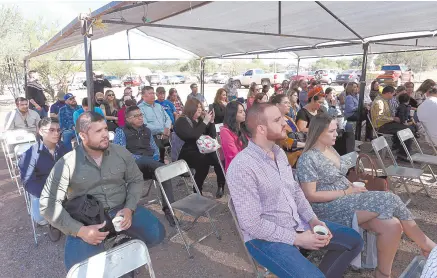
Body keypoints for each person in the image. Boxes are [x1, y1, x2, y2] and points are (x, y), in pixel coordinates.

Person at [226, 103, 363, 278]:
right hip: (264, 238)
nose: (285, 122)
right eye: (277, 120)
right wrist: (297, 239)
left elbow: (296, 192)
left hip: (297, 223)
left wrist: (313, 220)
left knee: (353, 240)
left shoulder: (279, 153)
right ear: (261, 129)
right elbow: (252, 224)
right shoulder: (243, 166)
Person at [296, 113, 436, 278]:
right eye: (332, 131)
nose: (336, 134)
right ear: (319, 132)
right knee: (390, 199)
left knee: (393, 225)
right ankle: (428, 246)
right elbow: (310, 195)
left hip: (346, 200)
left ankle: (383, 273)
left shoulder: (330, 149)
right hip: (327, 209)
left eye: (336, 130)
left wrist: (350, 186)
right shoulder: (308, 159)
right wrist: (346, 191)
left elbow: (337, 177)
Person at [40, 111, 165, 271]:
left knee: (157, 234)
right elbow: (48, 204)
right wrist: (80, 231)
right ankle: (113, 247)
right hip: (88, 220)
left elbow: (135, 179)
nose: (105, 134)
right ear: (83, 135)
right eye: (98, 131)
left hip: (121, 210)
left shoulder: (120, 153)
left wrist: (129, 208)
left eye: (106, 129)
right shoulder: (67, 163)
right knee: (78, 268)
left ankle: (121, 244)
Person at [113, 105, 176, 226]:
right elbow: (121, 153)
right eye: (136, 116)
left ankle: (169, 210)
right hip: (133, 167)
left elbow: (155, 149)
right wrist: (143, 159)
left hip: (149, 165)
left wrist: (155, 159)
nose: (140, 118)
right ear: (128, 119)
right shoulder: (121, 131)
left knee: (164, 175)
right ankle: (173, 169)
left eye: (141, 115)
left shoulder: (146, 130)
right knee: (150, 163)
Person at [19, 117, 66, 241]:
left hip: (65, 187)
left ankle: (66, 218)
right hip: (44, 192)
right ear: (40, 131)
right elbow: (28, 182)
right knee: (40, 217)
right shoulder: (29, 155)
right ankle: (53, 221)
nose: (56, 133)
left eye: (58, 130)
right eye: (51, 130)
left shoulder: (63, 148)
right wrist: (50, 193)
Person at [174, 99, 226, 198]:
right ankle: (197, 189)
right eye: (197, 108)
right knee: (204, 162)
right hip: (188, 152)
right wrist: (205, 121)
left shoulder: (200, 120)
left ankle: (221, 185)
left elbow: (212, 135)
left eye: (200, 107)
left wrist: (211, 122)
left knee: (217, 158)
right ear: (191, 108)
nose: (200, 110)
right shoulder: (182, 121)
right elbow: (193, 136)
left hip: (202, 149)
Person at [371, 86, 413, 160]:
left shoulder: (383, 100)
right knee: (407, 129)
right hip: (382, 126)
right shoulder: (379, 102)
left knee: (404, 127)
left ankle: (400, 149)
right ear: (388, 93)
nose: (393, 96)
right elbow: (379, 117)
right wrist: (393, 118)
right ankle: (403, 154)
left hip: (385, 124)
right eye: (392, 94)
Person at [139, 86, 171, 163]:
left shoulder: (158, 106)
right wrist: (162, 130)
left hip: (166, 134)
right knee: (160, 151)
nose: (153, 95)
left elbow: (168, 118)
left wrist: (167, 129)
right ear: (143, 96)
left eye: (153, 93)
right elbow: (145, 125)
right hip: (152, 137)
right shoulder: (140, 108)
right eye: (150, 93)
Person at [271, 94, 305, 167]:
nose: (289, 105)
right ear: (277, 105)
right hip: (287, 158)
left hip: (299, 154)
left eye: (289, 103)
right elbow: (285, 141)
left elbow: (298, 134)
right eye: (286, 103)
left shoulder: (289, 119)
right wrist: (305, 145)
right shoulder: (275, 122)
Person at [220, 101, 249, 172]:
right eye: (240, 112)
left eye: (244, 111)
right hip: (236, 168)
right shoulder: (225, 131)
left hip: (247, 164)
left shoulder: (243, 128)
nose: (244, 114)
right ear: (233, 114)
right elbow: (233, 155)